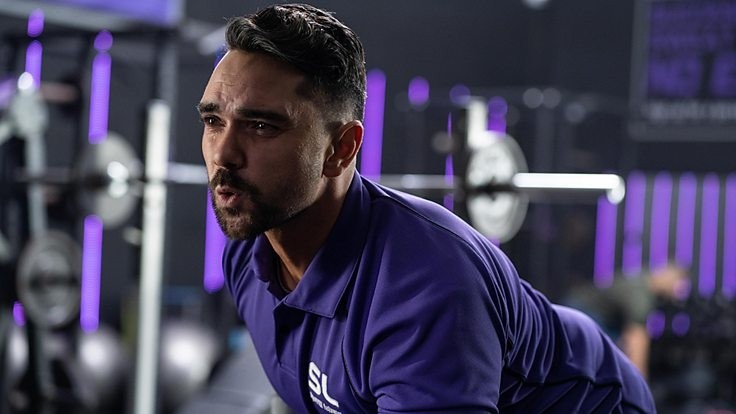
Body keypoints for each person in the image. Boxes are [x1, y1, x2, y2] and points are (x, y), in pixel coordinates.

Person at [198, 3, 656, 412]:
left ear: (340, 148)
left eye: (261, 126)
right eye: (214, 121)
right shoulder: (249, 255)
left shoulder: (425, 290)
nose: (224, 154)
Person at [562, 264, 690, 380]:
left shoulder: (642, 279)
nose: (677, 293)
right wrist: (640, 385)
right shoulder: (641, 297)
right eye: (677, 284)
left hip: (590, 314)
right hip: (581, 311)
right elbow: (637, 340)